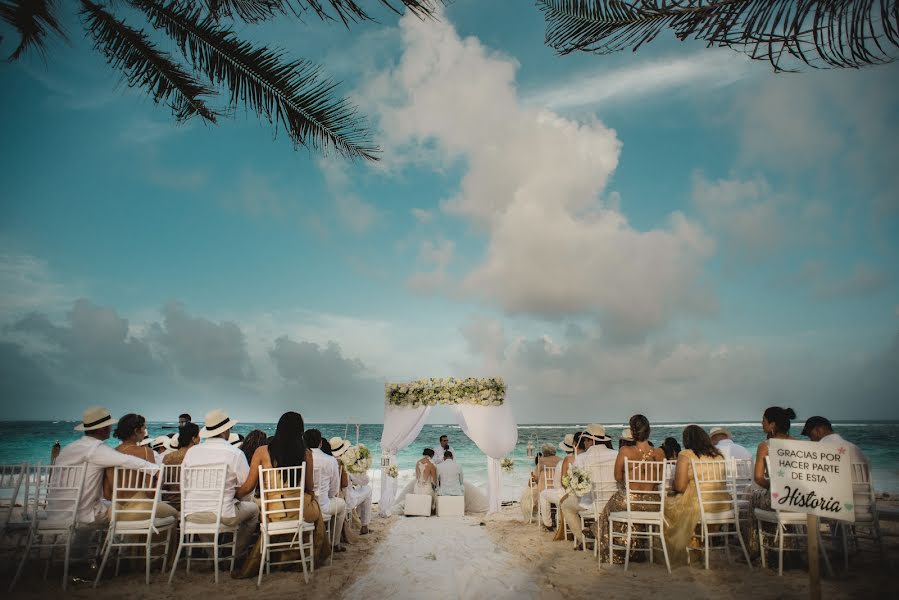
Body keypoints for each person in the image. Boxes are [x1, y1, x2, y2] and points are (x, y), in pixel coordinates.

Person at [234, 411, 330, 575]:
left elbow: (249, 486)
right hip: (299, 512)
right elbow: (309, 487)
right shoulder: (306, 453)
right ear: (300, 431)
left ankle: (277, 556)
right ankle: (303, 554)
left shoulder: (261, 452)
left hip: (272, 512)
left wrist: (233, 493)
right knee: (315, 507)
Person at [53, 407, 159, 527]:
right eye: (109, 425)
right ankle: (118, 542)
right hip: (85, 514)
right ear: (103, 428)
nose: (110, 428)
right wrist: (156, 470)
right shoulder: (96, 449)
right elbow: (126, 460)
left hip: (56, 513)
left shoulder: (68, 449)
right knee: (123, 513)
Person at [181, 409, 258, 557]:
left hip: (192, 513)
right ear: (225, 431)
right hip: (223, 514)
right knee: (254, 510)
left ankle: (212, 556)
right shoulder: (234, 453)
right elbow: (248, 486)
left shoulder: (192, 453)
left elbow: (184, 484)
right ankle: (236, 554)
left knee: (206, 512)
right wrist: (235, 495)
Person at [593, 415, 665, 563]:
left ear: (632, 433)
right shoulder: (660, 453)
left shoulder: (626, 451)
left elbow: (617, 476)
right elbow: (658, 479)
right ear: (649, 431)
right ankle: (635, 551)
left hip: (630, 501)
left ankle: (618, 549)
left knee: (612, 504)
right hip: (654, 504)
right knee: (620, 502)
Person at [663, 425, 730, 565]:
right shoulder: (718, 455)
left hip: (700, 505)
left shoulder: (686, 455)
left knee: (665, 508)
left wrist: (673, 486)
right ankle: (697, 542)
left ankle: (686, 547)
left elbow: (680, 487)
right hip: (722, 505)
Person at [103, 413, 178, 521]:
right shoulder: (146, 452)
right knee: (174, 514)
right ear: (136, 431)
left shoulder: (111, 453)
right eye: (144, 428)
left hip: (115, 512)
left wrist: (122, 502)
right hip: (139, 510)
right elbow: (152, 493)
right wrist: (159, 483)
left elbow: (106, 494)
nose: (145, 431)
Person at [748, 406, 797, 559]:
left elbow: (758, 478)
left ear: (773, 424)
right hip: (798, 499)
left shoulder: (765, 446)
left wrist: (774, 487)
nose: (761, 423)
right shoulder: (799, 444)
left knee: (753, 499)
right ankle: (787, 545)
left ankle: (756, 550)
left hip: (777, 499)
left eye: (764, 420)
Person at [560, 424, 617, 548]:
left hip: (592, 505)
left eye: (585, 440)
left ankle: (584, 541)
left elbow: (576, 486)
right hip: (614, 505)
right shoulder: (616, 454)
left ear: (591, 441)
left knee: (565, 506)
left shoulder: (582, 458)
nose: (584, 443)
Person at [304, 428, 348, 553]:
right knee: (342, 505)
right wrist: (327, 496)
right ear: (321, 443)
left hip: (304, 507)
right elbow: (334, 488)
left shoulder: (301, 458)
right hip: (323, 506)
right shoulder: (330, 460)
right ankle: (335, 543)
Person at [331, 437, 373, 537]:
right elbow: (364, 481)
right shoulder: (344, 463)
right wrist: (362, 470)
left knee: (361, 491)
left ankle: (357, 518)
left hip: (333, 498)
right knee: (368, 490)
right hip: (347, 500)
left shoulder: (330, 461)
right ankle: (364, 526)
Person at [539, 433, 576, 529]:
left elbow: (557, 483)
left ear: (564, 449)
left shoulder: (562, 462)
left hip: (565, 495)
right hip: (581, 496)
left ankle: (548, 524)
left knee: (543, 494)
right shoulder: (583, 458)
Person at [801, 416, 868, 464]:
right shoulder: (855, 448)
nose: (811, 440)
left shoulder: (817, 451)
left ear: (818, 430)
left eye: (810, 436)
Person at [520, 444, 561, 521]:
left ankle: (547, 518)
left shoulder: (541, 461)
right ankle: (553, 515)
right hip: (558, 489)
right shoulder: (560, 460)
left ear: (545, 453)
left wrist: (534, 477)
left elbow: (535, 478)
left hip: (544, 490)